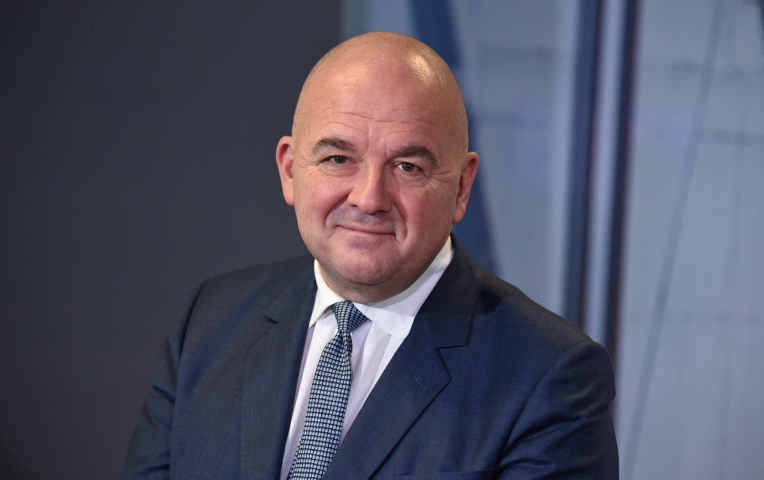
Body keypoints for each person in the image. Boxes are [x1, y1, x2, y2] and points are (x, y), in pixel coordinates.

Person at [121, 32, 618, 479]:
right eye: (339, 159)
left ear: (462, 187)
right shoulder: (210, 322)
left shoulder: (548, 379)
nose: (369, 197)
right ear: (291, 170)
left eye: (407, 166)